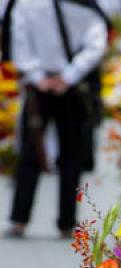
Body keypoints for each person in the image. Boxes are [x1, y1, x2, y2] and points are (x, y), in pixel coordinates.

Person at [5, 0, 108, 238]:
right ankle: (63, 222)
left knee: (39, 153)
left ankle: (25, 220)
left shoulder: (26, 4)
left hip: (48, 85)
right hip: (63, 85)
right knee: (59, 154)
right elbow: (96, 42)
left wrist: (40, 75)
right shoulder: (82, 5)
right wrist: (66, 76)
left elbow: (19, 43)